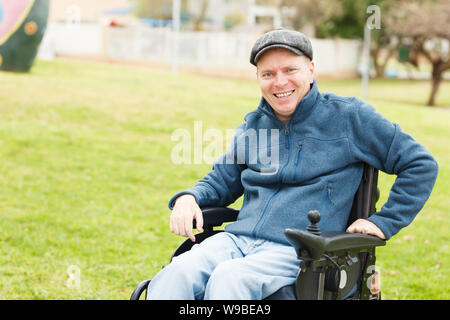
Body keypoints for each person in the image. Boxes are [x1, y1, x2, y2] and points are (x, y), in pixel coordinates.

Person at [146, 28, 438, 300]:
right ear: (259, 78)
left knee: (230, 278)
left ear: (311, 69)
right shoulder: (253, 125)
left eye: (290, 70)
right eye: (268, 73)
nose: (280, 82)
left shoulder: (350, 117)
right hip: (236, 241)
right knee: (177, 273)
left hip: (302, 251)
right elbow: (221, 180)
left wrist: (383, 222)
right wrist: (189, 197)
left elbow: (420, 164)